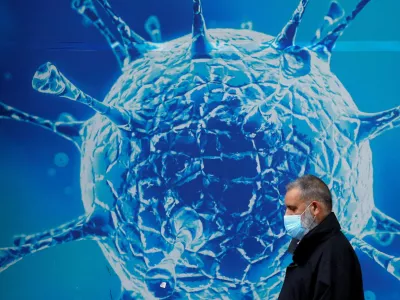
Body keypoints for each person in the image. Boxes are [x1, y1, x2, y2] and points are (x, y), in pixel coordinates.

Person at [278, 174, 365, 300]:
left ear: (314, 208)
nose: (286, 215)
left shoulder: (333, 254)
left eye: (292, 208)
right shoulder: (311, 251)